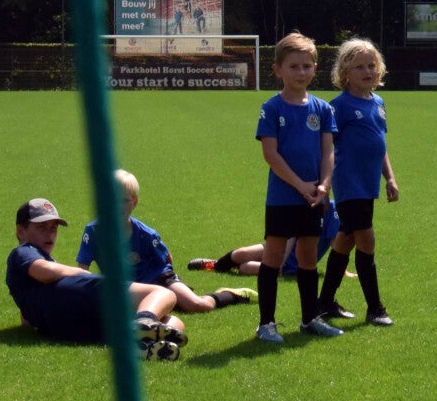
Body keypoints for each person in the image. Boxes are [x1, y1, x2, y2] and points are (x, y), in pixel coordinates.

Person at [6, 198, 186, 358]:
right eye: (41, 228)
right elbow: (44, 271)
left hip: (67, 326)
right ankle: (142, 322)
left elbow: (26, 318)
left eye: (53, 228)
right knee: (163, 293)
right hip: (81, 296)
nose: (49, 234)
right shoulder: (24, 251)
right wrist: (83, 274)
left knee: (173, 324)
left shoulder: (31, 270)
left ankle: (136, 344)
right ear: (21, 232)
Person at [253, 31, 341, 342]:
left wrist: (324, 185)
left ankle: (309, 319)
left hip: (313, 197)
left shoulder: (323, 109)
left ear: (315, 69)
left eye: (306, 66)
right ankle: (266, 324)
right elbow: (270, 154)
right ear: (277, 70)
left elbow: (328, 151)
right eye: (293, 66)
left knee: (307, 257)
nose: (300, 72)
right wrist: (300, 184)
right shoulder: (272, 108)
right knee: (274, 258)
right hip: (282, 197)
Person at [76, 170, 255, 315]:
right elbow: (82, 271)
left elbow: (167, 259)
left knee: (197, 305)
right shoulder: (93, 232)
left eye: (124, 201)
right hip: (127, 286)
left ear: (134, 203)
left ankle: (231, 295)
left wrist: (172, 285)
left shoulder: (146, 234)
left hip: (159, 278)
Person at [315, 38, 399, 325]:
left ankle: (324, 303)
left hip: (368, 183)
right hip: (349, 183)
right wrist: (324, 181)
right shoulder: (339, 107)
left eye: (372, 65)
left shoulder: (378, 103)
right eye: (359, 67)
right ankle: (375, 308)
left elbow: (380, 143)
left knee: (346, 239)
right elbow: (326, 147)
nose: (368, 71)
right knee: (366, 238)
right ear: (345, 73)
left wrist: (390, 177)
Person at [187, 201, 341, 278]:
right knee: (241, 253)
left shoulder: (333, 209)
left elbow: (336, 244)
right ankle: (214, 265)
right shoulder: (301, 202)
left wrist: (341, 270)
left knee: (245, 267)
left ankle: (234, 266)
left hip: (292, 264)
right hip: (280, 246)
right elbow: (291, 235)